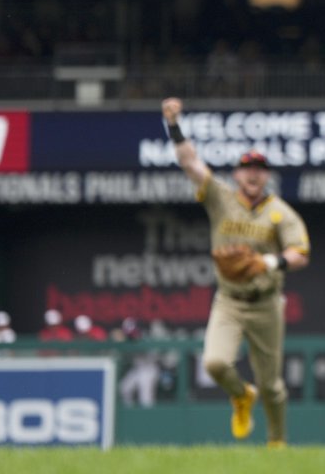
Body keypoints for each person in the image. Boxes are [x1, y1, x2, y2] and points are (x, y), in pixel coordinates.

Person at [161, 97, 311, 447]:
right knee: (214, 363)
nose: (254, 173)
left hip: (266, 302)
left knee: (272, 384)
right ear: (238, 174)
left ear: (267, 175)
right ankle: (241, 395)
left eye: (260, 168)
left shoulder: (280, 213)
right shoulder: (221, 197)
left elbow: (301, 253)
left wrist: (270, 262)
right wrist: (173, 124)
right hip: (229, 299)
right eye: (248, 168)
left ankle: (277, 443)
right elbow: (190, 162)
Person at [118, 318, 161, 407]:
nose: (132, 335)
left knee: (145, 398)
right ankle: (129, 412)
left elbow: (155, 355)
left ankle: (148, 418)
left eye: (133, 332)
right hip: (137, 369)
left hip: (149, 368)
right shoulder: (127, 340)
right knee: (124, 388)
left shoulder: (146, 337)